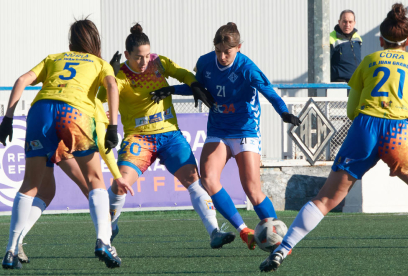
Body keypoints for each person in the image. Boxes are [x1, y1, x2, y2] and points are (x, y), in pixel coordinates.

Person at [260, 3, 408, 272]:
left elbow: (352, 110)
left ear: (380, 40)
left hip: (364, 128)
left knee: (326, 199)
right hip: (397, 132)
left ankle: (282, 250)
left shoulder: (368, 61)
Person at [0, 18, 133, 270]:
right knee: (95, 180)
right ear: (96, 42)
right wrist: (114, 126)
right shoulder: (99, 63)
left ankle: (9, 250)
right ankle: (103, 240)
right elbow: (112, 87)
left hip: (40, 112)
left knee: (32, 186)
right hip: (73, 114)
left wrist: (7, 118)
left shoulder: (54, 58)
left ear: (71, 42)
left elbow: (21, 80)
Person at [154, 22, 300, 250]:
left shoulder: (247, 68)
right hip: (218, 130)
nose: (222, 56)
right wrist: (171, 89)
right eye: (218, 51)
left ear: (239, 47)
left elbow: (269, 92)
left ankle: (282, 241)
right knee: (209, 180)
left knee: (252, 189)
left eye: (227, 52)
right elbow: (198, 86)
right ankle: (244, 231)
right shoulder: (205, 62)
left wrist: (284, 113)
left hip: (245, 130)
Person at [97, 23, 236, 249]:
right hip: (138, 139)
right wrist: (110, 76)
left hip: (170, 135)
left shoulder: (158, 62)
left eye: (147, 55)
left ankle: (214, 231)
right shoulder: (120, 74)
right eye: (138, 57)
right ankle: (109, 228)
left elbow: (181, 73)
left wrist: (195, 85)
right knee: (120, 184)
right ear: (126, 55)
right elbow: (102, 97)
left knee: (194, 181)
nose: (144, 62)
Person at [16, 98, 124, 264]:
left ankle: (16, 243)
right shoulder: (85, 83)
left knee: (45, 193)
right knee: (90, 186)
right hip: (60, 135)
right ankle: (105, 240)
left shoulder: (59, 81)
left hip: (41, 125)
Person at [330, 10, 362, 83]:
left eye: (350, 22)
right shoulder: (330, 39)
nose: (347, 25)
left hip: (356, 81)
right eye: (344, 21)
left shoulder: (357, 38)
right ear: (339, 22)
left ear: (354, 23)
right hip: (338, 83)